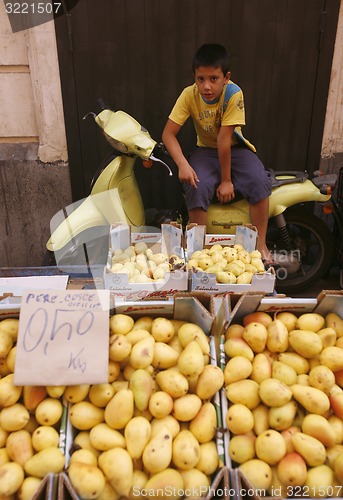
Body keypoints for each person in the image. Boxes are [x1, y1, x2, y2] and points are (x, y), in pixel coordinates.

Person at [162, 43, 275, 267]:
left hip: (235, 148)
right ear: (194, 77)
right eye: (200, 79)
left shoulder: (234, 94)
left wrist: (226, 181)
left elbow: (224, 140)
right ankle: (199, 248)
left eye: (213, 79)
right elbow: (168, 134)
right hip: (205, 151)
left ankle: (260, 243)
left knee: (258, 180)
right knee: (196, 184)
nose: (206, 86)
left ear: (226, 77)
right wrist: (183, 164)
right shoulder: (188, 95)